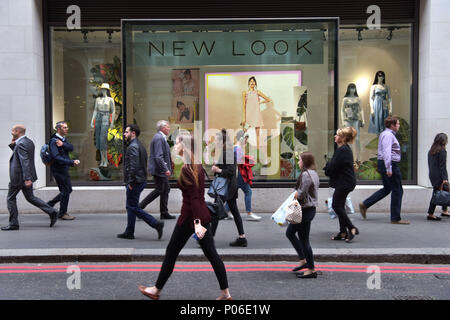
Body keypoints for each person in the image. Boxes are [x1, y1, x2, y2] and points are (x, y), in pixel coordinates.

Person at [138, 132, 232, 300]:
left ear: (185, 146)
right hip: (200, 217)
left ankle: (156, 290)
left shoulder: (188, 168)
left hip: (190, 218)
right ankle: (225, 292)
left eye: (177, 143)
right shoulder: (196, 165)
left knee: (172, 252)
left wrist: (196, 224)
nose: (175, 146)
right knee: (211, 254)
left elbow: (195, 199)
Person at [2, 125, 58, 231]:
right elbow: (22, 156)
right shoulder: (28, 142)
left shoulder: (21, 143)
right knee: (30, 197)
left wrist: (27, 178)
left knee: (10, 198)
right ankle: (52, 211)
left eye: (13, 130)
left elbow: (25, 161)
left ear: (17, 131)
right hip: (24, 176)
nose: (11, 132)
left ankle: (14, 223)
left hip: (19, 177)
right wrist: (13, 144)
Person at [359, 116, 410, 224]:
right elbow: (387, 152)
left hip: (385, 163)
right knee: (397, 190)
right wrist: (389, 168)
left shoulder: (385, 134)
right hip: (389, 164)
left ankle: (365, 204)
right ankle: (395, 218)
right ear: (392, 125)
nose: (399, 126)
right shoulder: (388, 135)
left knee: (387, 188)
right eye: (398, 124)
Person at [117, 124, 164, 240]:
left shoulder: (133, 147)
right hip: (139, 180)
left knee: (132, 206)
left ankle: (155, 223)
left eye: (126, 132)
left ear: (133, 133)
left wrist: (131, 182)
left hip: (135, 181)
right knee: (131, 206)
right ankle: (129, 231)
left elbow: (134, 166)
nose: (124, 134)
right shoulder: (139, 145)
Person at [211, 129, 248, 247]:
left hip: (226, 187)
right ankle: (242, 238)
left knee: (215, 211)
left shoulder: (228, 152)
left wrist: (218, 169)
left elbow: (231, 171)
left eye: (216, 140)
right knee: (234, 212)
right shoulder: (226, 152)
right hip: (229, 187)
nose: (215, 142)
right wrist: (217, 165)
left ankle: (209, 238)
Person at [286, 152, 319, 279]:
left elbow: (301, 194)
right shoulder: (313, 173)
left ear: (305, 162)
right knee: (290, 232)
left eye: (300, 160)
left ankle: (311, 269)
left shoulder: (306, 174)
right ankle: (303, 260)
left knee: (304, 239)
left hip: (305, 210)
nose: (298, 162)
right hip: (307, 210)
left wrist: (294, 194)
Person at [324, 127, 359, 242]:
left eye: (337, 135)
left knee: (336, 206)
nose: (335, 136)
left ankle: (351, 228)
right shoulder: (343, 149)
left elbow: (332, 167)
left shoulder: (343, 150)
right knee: (340, 206)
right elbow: (334, 165)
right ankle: (343, 232)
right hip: (345, 181)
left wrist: (327, 166)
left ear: (343, 138)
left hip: (344, 183)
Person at [139, 120, 175, 220]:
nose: (169, 128)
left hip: (160, 169)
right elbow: (158, 156)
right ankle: (139, 207)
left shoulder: (160, 137)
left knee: (166, 189)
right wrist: (165, 169)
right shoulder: (159, 138)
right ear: (162, 128)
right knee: (159, 190)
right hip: (159, 170)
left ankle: (164, 212)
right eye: (167, 127)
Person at [224, 130, 261, 221]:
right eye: (245, 139)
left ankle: (226, 211)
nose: (246, 141)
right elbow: (239, 162)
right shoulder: (238, 148)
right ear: (241, 138)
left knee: (232, 193)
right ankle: (249, 213)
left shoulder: (235, 148)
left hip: (236, 174)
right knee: (248, 192)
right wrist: (248, 160)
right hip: (240, 174)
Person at [47, 121, 80, 220]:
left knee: (66, 190)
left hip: (63, 168)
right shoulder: (54, 141)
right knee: (66, 190)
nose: (67, 129)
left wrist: (63, 145)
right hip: (58, 169)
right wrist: (71, 162)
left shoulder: (62, 140)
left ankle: (49, 205)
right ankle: (62, 213)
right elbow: (56, 157)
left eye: (67, 127)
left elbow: (71, 147)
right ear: (59, 129)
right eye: (64, 127)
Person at [242, 76, 271, 149]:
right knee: (244, 132)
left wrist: (260, 102)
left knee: (257, 133)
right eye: (251, 81)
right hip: (248, 115)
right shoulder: (245, 93)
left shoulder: (258, 92)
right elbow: (244, 106)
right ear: (248, 83)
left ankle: (258, 149)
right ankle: (243, 148)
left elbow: (268, 99)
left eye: (253, 81)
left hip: (256, 114)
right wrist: (244, 118)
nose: (252, 82)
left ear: (255, 83)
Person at [427, 133, 449, 220]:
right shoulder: (442, 151)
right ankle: (430, 213)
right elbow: (442, 166)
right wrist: (445, 179)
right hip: (439, 175)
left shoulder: (431, 150)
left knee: (443, 191)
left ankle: (444, 210)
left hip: (432, 175)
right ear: (444, 141)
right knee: (436, 194)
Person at [341, 83, 364, 163]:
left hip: (356, 120)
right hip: (348, 120)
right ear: (348, 89)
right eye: (351, 88)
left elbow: (361, 110)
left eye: (353, 88)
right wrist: (343, 120)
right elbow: (342, 110)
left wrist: (363, 120)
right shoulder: (345, 99)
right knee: (349, 139)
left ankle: (358, 158)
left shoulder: (358, 99)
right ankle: (350, 158)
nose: (352, 90)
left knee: (357, 139)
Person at [368, 71, 392, 135]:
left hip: (384, 105)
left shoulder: (386, 87)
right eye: (379, 75)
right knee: (377, 121)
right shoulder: (374, 86)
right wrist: (372, 109)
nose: (381, 77)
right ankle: (378, 137)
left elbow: (389, 98)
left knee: (384, 121)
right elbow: (371, 98)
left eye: (382, 75)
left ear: (384, 77)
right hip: (376, 105)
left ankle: (383, 137)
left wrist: (390, 109)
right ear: (377, 76)